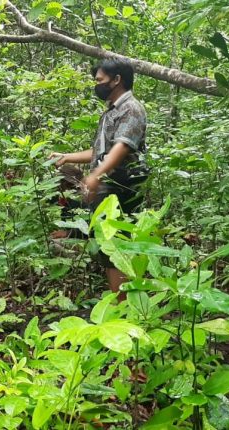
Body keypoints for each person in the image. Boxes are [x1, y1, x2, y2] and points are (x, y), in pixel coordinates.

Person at [49, 59, 148, 297]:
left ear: (117, 80)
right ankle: (118, 301)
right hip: (108, 185)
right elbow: (101, 151)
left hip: (121, 185)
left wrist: (95, 175)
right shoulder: (111, 111)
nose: (96, 85)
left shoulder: (131, 108)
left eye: (100, 80)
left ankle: (124, 305)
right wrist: (67, 156)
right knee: (107, 248)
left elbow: (121, 148)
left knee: (117, 248)